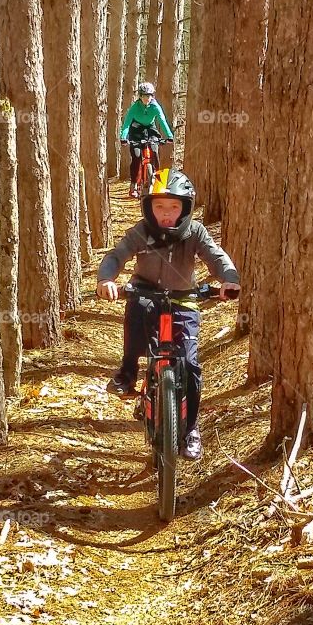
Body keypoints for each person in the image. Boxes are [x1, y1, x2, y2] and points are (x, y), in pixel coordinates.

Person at [96, 167, 240, 460]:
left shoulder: (195, 232)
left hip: (184, 299)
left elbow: (216, 256)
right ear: (148, 207)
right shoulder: (140, 231)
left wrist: (228, 278)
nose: (166, 213)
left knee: (189, 363)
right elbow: (117, 255)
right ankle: (127, 373)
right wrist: (106, 279)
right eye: (159, 206)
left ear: (185, 209)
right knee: (137, 314)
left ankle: (190, 430)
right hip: (145, 293)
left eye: (174, 207)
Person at [119, 81, 175, 198]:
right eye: (144, 96)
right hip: (136, 130)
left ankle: (157, 182)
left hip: (150, 129)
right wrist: (123, 137)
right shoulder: (134, 107)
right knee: (136, 155)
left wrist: (169, 136)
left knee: (154, 152)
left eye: (149, 96)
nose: (147, 98)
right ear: (140, 96)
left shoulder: (155, 106)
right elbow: (127, 124)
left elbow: (162, 121)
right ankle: (133, 184)